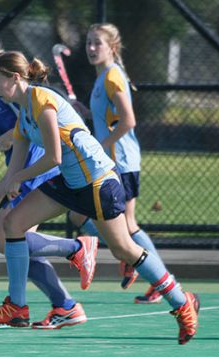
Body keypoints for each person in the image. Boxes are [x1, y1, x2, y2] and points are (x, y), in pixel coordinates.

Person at [0, 51, 200, 344]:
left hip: (99, 181)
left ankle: (181, 303)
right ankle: (17, 307)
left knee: (124, 249)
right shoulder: (22, 120)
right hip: (69, 181)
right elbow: (9, 177)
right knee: (12, 225)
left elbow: (53, 156)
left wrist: (19, 179)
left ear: (15, 79)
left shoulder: (42, 101)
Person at [0, 31, 97, 330]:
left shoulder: (12, 90)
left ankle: (75, 252)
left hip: (38, 168)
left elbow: (36, 115)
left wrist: (10, 135)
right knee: (11, 242)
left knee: (7, 238)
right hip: (17, 170)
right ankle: (65, 305)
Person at [68, 23, 164, 304]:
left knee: (129, 226)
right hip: (107, 162)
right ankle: (128, 254)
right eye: (88, 42)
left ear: (113, 47)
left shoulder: (112, 77)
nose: (91, 48)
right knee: (78, 215)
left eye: (97, 43)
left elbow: (128, 120)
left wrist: (104, 143)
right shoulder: (102, 79)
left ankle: (155, 277)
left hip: (120, 161)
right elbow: (105, 120)